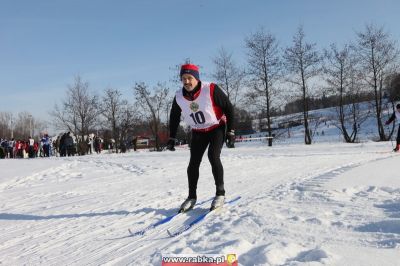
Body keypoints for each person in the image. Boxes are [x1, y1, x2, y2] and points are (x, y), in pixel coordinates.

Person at [167, 63, 235, 212]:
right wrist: (172, 137)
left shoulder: (210, 89)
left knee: (213, 155)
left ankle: (220, 193)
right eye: (183, 78)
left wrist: (231, 131)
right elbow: (174, 117)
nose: (186, 82)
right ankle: (191, 197)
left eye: (189, 78)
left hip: (216, 127)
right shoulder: (179, 96)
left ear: (196, 78)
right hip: (198, 131)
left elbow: (229, 108)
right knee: (193, 163)